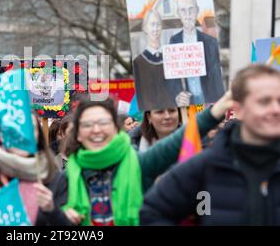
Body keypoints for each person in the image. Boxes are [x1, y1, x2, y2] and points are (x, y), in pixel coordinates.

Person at [61, 92, 233, 226]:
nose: (96, 130)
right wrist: (61, 217)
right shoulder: (65, 177)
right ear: (78, 134)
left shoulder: (138, 164)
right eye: (88, 124)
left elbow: (175, 142)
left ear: (116, 128)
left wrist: (218, 109)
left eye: (103, 122)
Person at [140, 64, 280, 226]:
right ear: (238, 109)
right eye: (264, 102)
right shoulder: (207, 166)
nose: (276, 109)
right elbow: (152, 213)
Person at [0, 114, 70, 225]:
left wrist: (52, 211)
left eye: (30, 129)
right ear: (2, 135)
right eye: (14, 128)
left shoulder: (56, 179)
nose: (22, 135)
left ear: (38, 136)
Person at [166, 0, 224, 106]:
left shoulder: (210, 42)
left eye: (191, 10)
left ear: (197, 11)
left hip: (208, 100)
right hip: (186, 102)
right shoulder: (174, 41)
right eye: (183, 11)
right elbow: (171, 78)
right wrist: (177, 96)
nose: (187, 15)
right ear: (178, 13)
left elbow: (215, 76)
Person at [133, 10, 176, 111]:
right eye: (152, 24)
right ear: (145, 28)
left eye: (158, 25)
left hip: (173, 112)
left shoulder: (172, 57)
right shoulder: (138, 62)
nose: (155, 29)